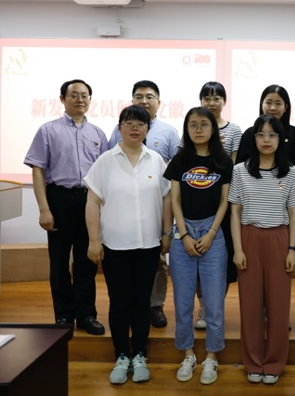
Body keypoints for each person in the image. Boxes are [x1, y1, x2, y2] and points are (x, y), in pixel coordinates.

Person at [84, 105, 172, 384]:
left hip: (148, 245)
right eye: (129, 122)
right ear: (120, 127)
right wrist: (94, 240)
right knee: (120, 302)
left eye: (141, 123)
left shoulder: (157, 161)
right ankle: (122, 354)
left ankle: (140, 354)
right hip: (115, 246)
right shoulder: (105, 161)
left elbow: (167, 199)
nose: (135, 128)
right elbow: (92, 202)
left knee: (142, 302)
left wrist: (167, 233)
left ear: (148, 129)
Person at [24, 79, 108, 335]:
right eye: (74, 95)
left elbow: (104, 175)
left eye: (85, 95)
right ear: (62, 99)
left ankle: (86, 315)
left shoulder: (98, 134)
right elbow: (38, 171)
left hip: (89, 201)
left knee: (87, 262)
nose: (80, 99)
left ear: (90, 100)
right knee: (59, 262)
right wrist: (44, 209)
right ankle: (63, 315)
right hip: (59, 199)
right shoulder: (48, 131)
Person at [229, 115, 295, 385]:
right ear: (254, 138)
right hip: (249, 238)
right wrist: (238, 249)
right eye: (261, 134)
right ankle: (253, 361)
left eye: (272, 135)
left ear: (281, 139)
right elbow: (235, 213)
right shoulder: (240, 171)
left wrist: (292, 249)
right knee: (250, 305)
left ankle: (274, 362)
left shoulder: (292, 173)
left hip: (279, 239)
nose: (266, 140)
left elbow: (293, 215)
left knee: (278, 305)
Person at [165, 107, 233, 384]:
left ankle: (212, 357)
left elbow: (225, 202)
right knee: (182, 302)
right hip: (183, 233)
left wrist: (212, 232)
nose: (198, 130)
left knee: (214, 303)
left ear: (213, 129)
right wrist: (183, 234)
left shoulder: (223, 161)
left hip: (212, 234)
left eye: (204, 124)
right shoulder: (179, 160)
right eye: (193, 125)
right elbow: (174, 200)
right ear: (187, 129)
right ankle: (188, 354)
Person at [108, 80, 180, 328]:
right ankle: (130, 305)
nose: (144, 101)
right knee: (127, 263)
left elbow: (177, 170)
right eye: (139, 96)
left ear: (159, 102)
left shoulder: (169, 132)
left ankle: (155, 306)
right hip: (124, 210)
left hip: (155, 205)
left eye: (150, 97)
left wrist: (168, 226)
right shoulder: (118, 130)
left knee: (157, 261)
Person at [194, 81, 243, 330]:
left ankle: (216, 305)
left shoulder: (234, 131)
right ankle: (203, 306)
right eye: (207, 98)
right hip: (196, 202)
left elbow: (232, 167)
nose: (212, 103)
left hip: (224, 200)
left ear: (224, 101)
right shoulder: (194, 125)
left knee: (221, 261)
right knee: (197, 259)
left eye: (217, 98)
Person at [236, 84, 295, 173]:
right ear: (262, 105)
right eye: (268, 103)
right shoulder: (250, 133)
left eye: (278, 103)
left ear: (285, 107)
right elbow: (241, 164)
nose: (273, 108)